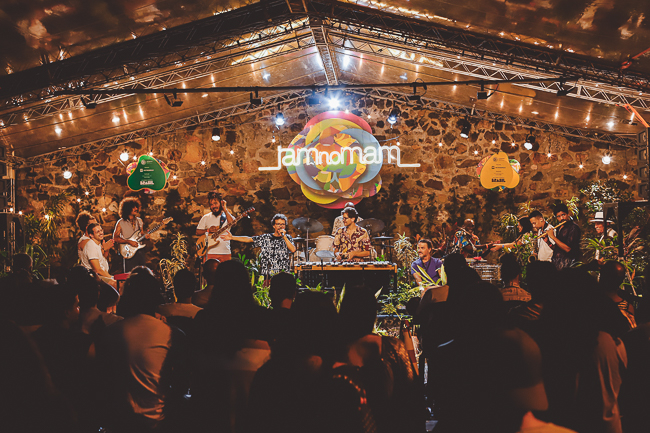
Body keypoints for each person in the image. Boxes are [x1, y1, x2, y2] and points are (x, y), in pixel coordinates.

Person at [223, 213, 296, 276]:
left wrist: (284, 237)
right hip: (267, 273)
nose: (280, 226)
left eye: (283, 224)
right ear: (274, 226)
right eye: (278, 224)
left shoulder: (287, 238)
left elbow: (293, 250)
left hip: (283, 273)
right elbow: (249, 239)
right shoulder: (266, 237)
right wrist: (232, 237)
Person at [196, 191, 234, 263]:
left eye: (215, 203)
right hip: (210, 253)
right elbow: (197, 232)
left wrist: (225, 210)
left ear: (221, 203)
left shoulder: (227, 216)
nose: (213, 206)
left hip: (225, 252)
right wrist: (208, 230)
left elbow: (233, 224)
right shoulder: (206, 217)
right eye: (211, 204)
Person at [113, 197, 149, 272]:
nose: (136, 208)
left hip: (140, 251)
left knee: (142, 273)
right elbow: (115, 238)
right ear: (127, 208)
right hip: (128, 251)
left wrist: (146, 237)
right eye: (133, 207)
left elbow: (141, 234)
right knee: (129, 274)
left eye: (136, 206)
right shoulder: (120, 222)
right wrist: (128, 241)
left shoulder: (139, 221)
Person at [546, 204, 581, 270]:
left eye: (563, 215)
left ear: (568, 214)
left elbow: (568, 249)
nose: (562, 218)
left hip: (567, 266)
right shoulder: (559, 228)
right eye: (558, 216)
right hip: (557, 264)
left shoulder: (573, 228)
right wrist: (547, 241)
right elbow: (557, 248)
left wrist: (553, 237)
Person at [82, 222, 116, 287]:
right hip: (94, 278)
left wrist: (106, 249)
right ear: (91, 235)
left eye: (101, 230)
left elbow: (103, 260)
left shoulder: (98, 244)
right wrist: (111, 278)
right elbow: (97, 270)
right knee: (117, 284)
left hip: (101, 275)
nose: (101, 233)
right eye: (98, 232)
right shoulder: (91, 246)